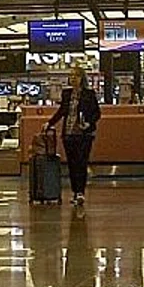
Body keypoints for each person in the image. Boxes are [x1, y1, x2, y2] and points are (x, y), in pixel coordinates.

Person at [46, 66, 102, 207]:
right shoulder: (66, 94)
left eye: (76, 76)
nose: (73, 78)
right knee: (72, 164)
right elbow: (62, 111)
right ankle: (75, 191)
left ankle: (80, 192)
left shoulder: (89, 94)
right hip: (69, 134)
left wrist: (88, 124)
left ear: (82, 78)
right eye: (71, 76)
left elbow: (97, 113)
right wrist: (49, 123)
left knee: (81, 163)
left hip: (84, 134)